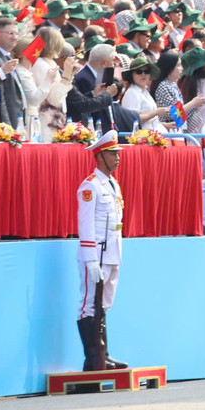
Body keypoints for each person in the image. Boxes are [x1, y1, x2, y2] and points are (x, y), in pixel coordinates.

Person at [77, 130, 127, 371]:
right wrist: (90, 259)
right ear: (99, 156)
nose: (117, 158)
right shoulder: (90, 186)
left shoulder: (112, 184)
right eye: (112, 153)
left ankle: (103, 354)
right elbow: (85, 224)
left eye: (117, 153)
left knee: (104, 303)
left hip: (112, 251)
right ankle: (92, 357)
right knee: (89, 304)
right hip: (96, 253)